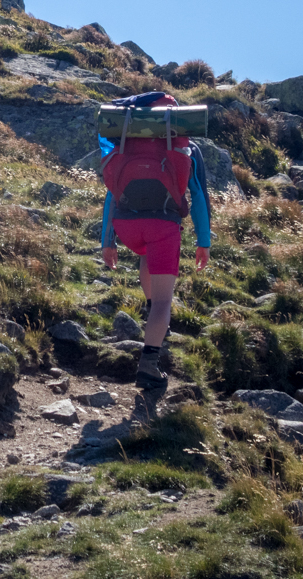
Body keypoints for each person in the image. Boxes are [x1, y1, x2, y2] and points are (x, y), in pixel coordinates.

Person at [98, 93, 212, 391]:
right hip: (163, 224)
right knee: (165, 301)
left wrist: (107, 241)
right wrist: (204, 240)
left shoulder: (125, 143)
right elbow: (198, 196)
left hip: (126, 224)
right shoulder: (186, 146)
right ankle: (149, 366)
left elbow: (111, 192)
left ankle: (151, 310)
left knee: (147, 257)